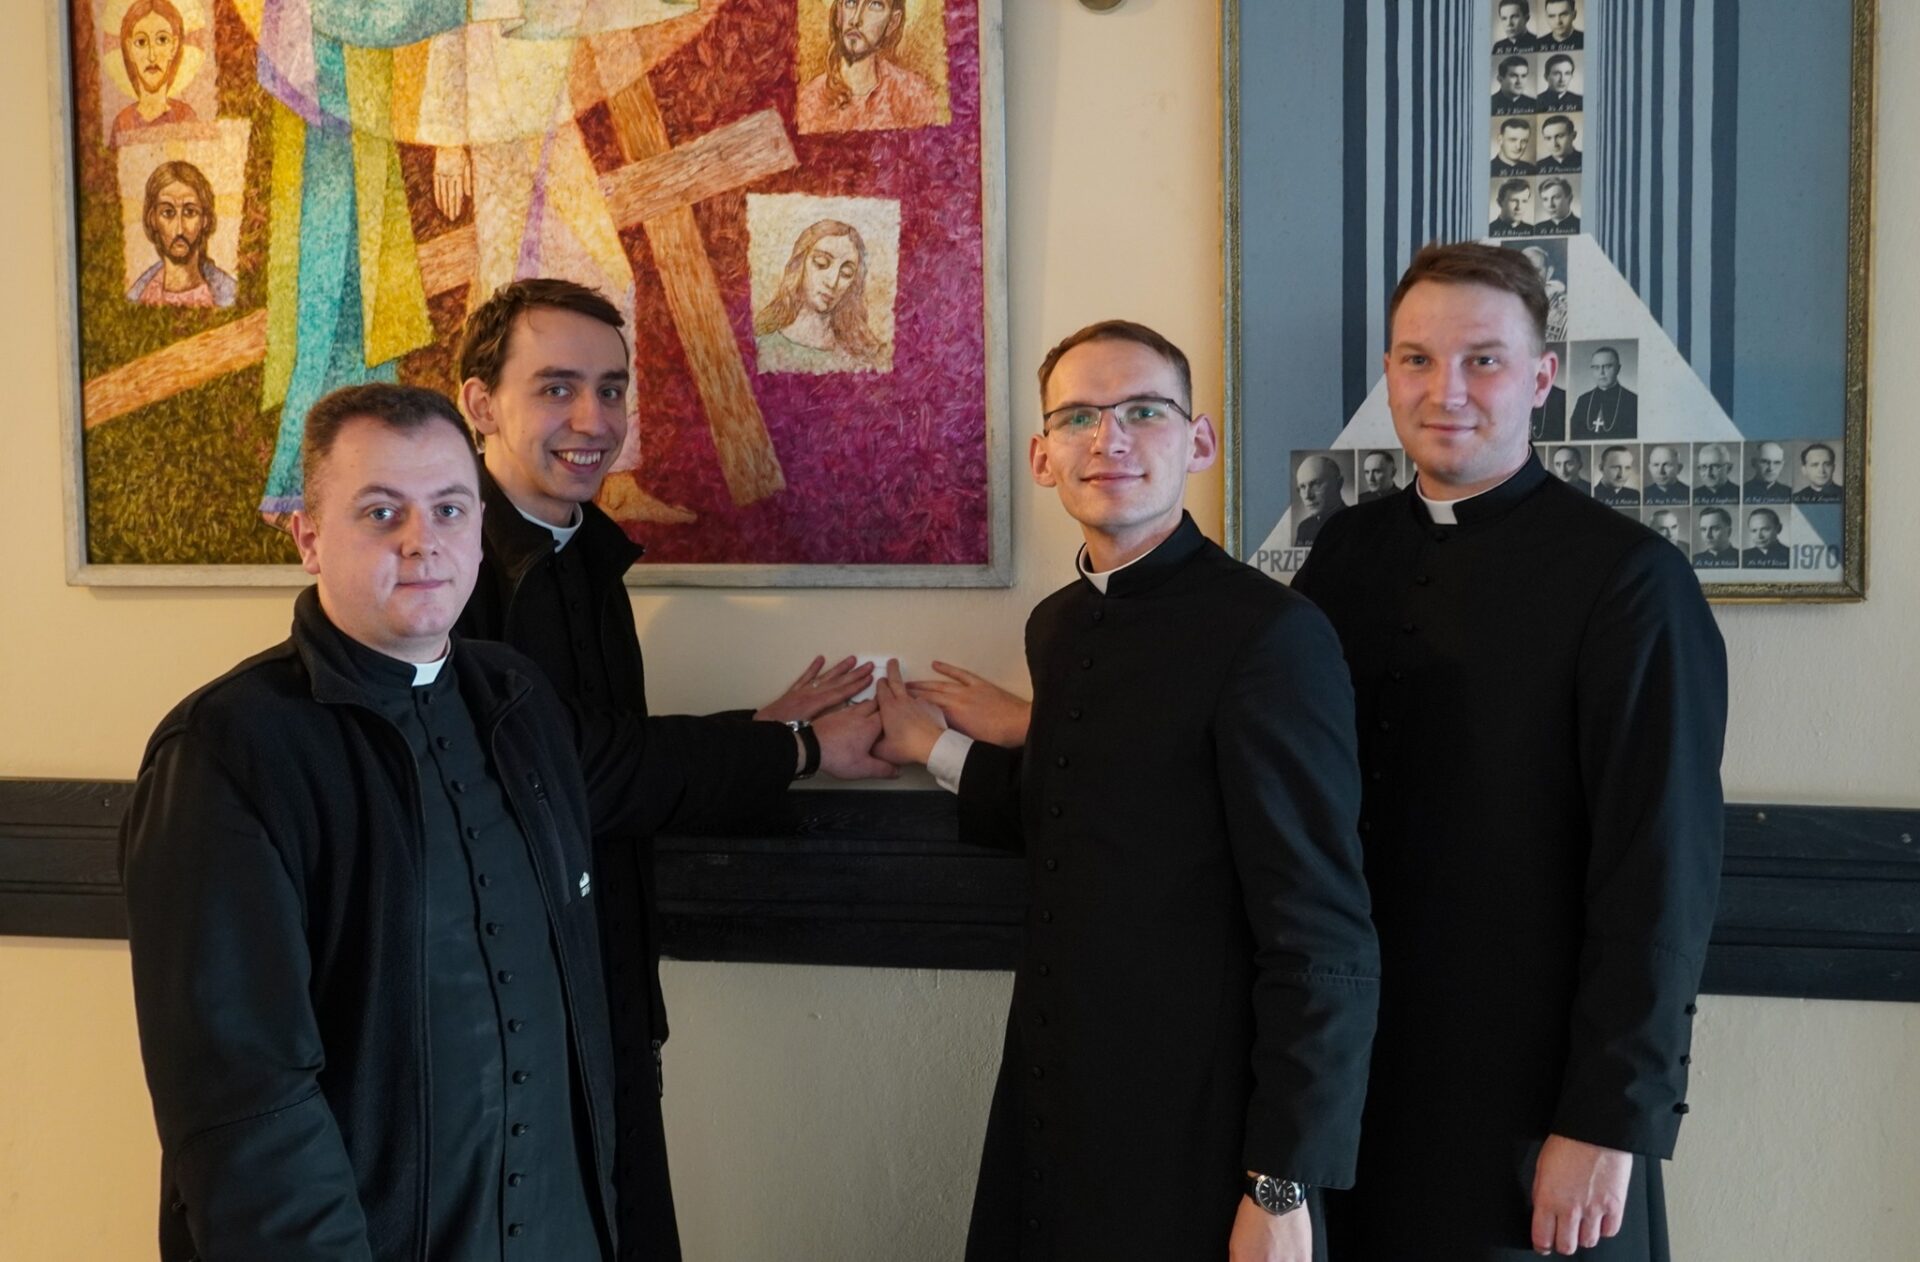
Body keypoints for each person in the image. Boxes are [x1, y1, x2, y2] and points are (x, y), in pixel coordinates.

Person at [121, 384, 884, 1259]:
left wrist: (790, 745)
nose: (422, 542)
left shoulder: (518, 701)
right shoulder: (226, 753)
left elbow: (641, 774)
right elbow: (245, 1110)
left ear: (480, 528)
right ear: (309, 538)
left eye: (450, 509)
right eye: (381, 512)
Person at [874, 320, 1380, 1262]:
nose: (1109, 439)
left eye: (1144, 411)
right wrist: (935, 747)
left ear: (1199, 441)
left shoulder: (1271, 634)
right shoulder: (1057, 626)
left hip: (1199, 1123)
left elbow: (1320, 930)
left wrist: (1281, 1183)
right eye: (1078, 417)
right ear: (1043, 457)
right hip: (1056, 1091)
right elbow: (1085, 813)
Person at [1295, 243, 1725, 1261]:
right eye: (1416, 359)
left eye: (1483, 360)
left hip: (1536, 1110)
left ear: (1542, 377)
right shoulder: (1343, 552)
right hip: (1356, 1083)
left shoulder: (1632, 579)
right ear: (1389, 372)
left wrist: (1608, 1122)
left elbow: (1661, 872)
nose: (1445, 390)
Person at [453, 278, 886, 1262]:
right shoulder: (452, 564)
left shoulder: (584, 554)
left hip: (604, 998)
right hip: (502, 1028)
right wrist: (797, 749)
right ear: (480, 403)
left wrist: (759, 731)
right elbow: (569, 776)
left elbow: (606, 750)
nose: (594, 419)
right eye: (556, 387)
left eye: (611, 389)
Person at [753, 219, 891, 374]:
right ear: (800, 264)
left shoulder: (861, 360)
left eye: (846, 273)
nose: (832, 282)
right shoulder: (761, 347)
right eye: (821, 263)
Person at [797, 0, 941, 134]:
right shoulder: (810, 101)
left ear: (892, 22)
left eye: (875, 5)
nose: (856, 19)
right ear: (839, 14)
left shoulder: (912, 96)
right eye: (850, 2)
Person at [126, 160, 237, 309]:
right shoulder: (137, 297)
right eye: (168, 213)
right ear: (152, 219)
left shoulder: (230, 297)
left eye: (190, 212)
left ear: (205, 220)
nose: (179, 229)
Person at [112, 0, 198, 140]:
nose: (152, 56)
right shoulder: (122, 123)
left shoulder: (186, 117)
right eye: (141, 42)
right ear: (130, 49)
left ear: (174, 47)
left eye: (162, 40)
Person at [1571, 347, 1638, 436]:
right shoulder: (1583, 400)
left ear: (1618, 369)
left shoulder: (1633, 400)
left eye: (1607, 366)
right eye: (1596, 367)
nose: (1601, 373)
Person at [1294, 454, 1348, 544]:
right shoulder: (1304, 528)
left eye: (1315, 484)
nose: (1307, 496)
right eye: (1302, 487)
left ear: (1338, 484)